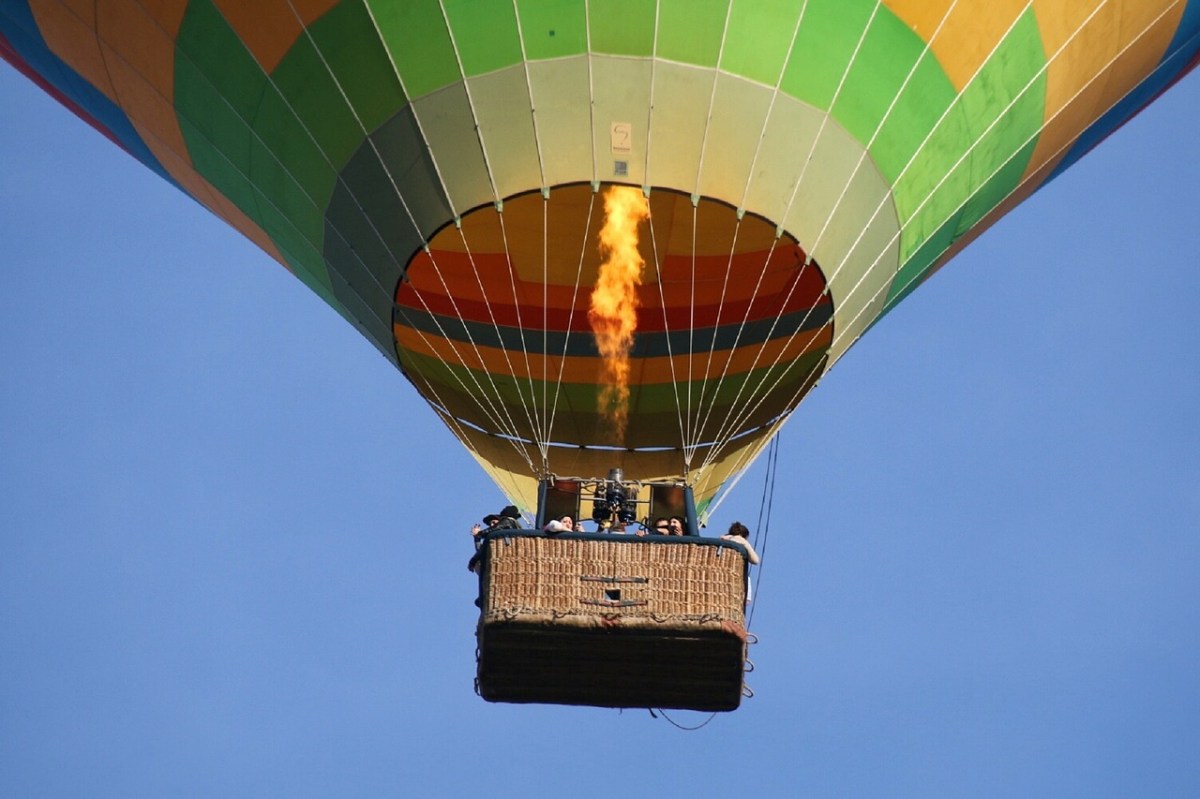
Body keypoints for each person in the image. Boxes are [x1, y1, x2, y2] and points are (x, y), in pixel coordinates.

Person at [721, 521, 760, 602]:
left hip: (721, 572)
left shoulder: (722, 539)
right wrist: (746, 544)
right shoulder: (742, 541)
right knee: (747, 579)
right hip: (734, 574)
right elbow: (755, 560)